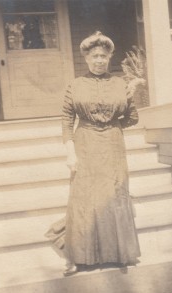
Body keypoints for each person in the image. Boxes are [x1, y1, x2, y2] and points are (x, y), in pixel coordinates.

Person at [60, 31, 141, 276]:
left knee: (114, 197)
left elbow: (132, 118)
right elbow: (66, 120)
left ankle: (119, 253)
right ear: (85, 57)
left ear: (109, 58)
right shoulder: (75, 85)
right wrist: (69, 152)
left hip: (113, 146)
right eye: (94, 56)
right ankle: (78, 257)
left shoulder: (119, 84)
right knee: (84, 199)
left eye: (104, 56)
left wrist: (117, 120)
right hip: (84, 143)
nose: (99, 60)